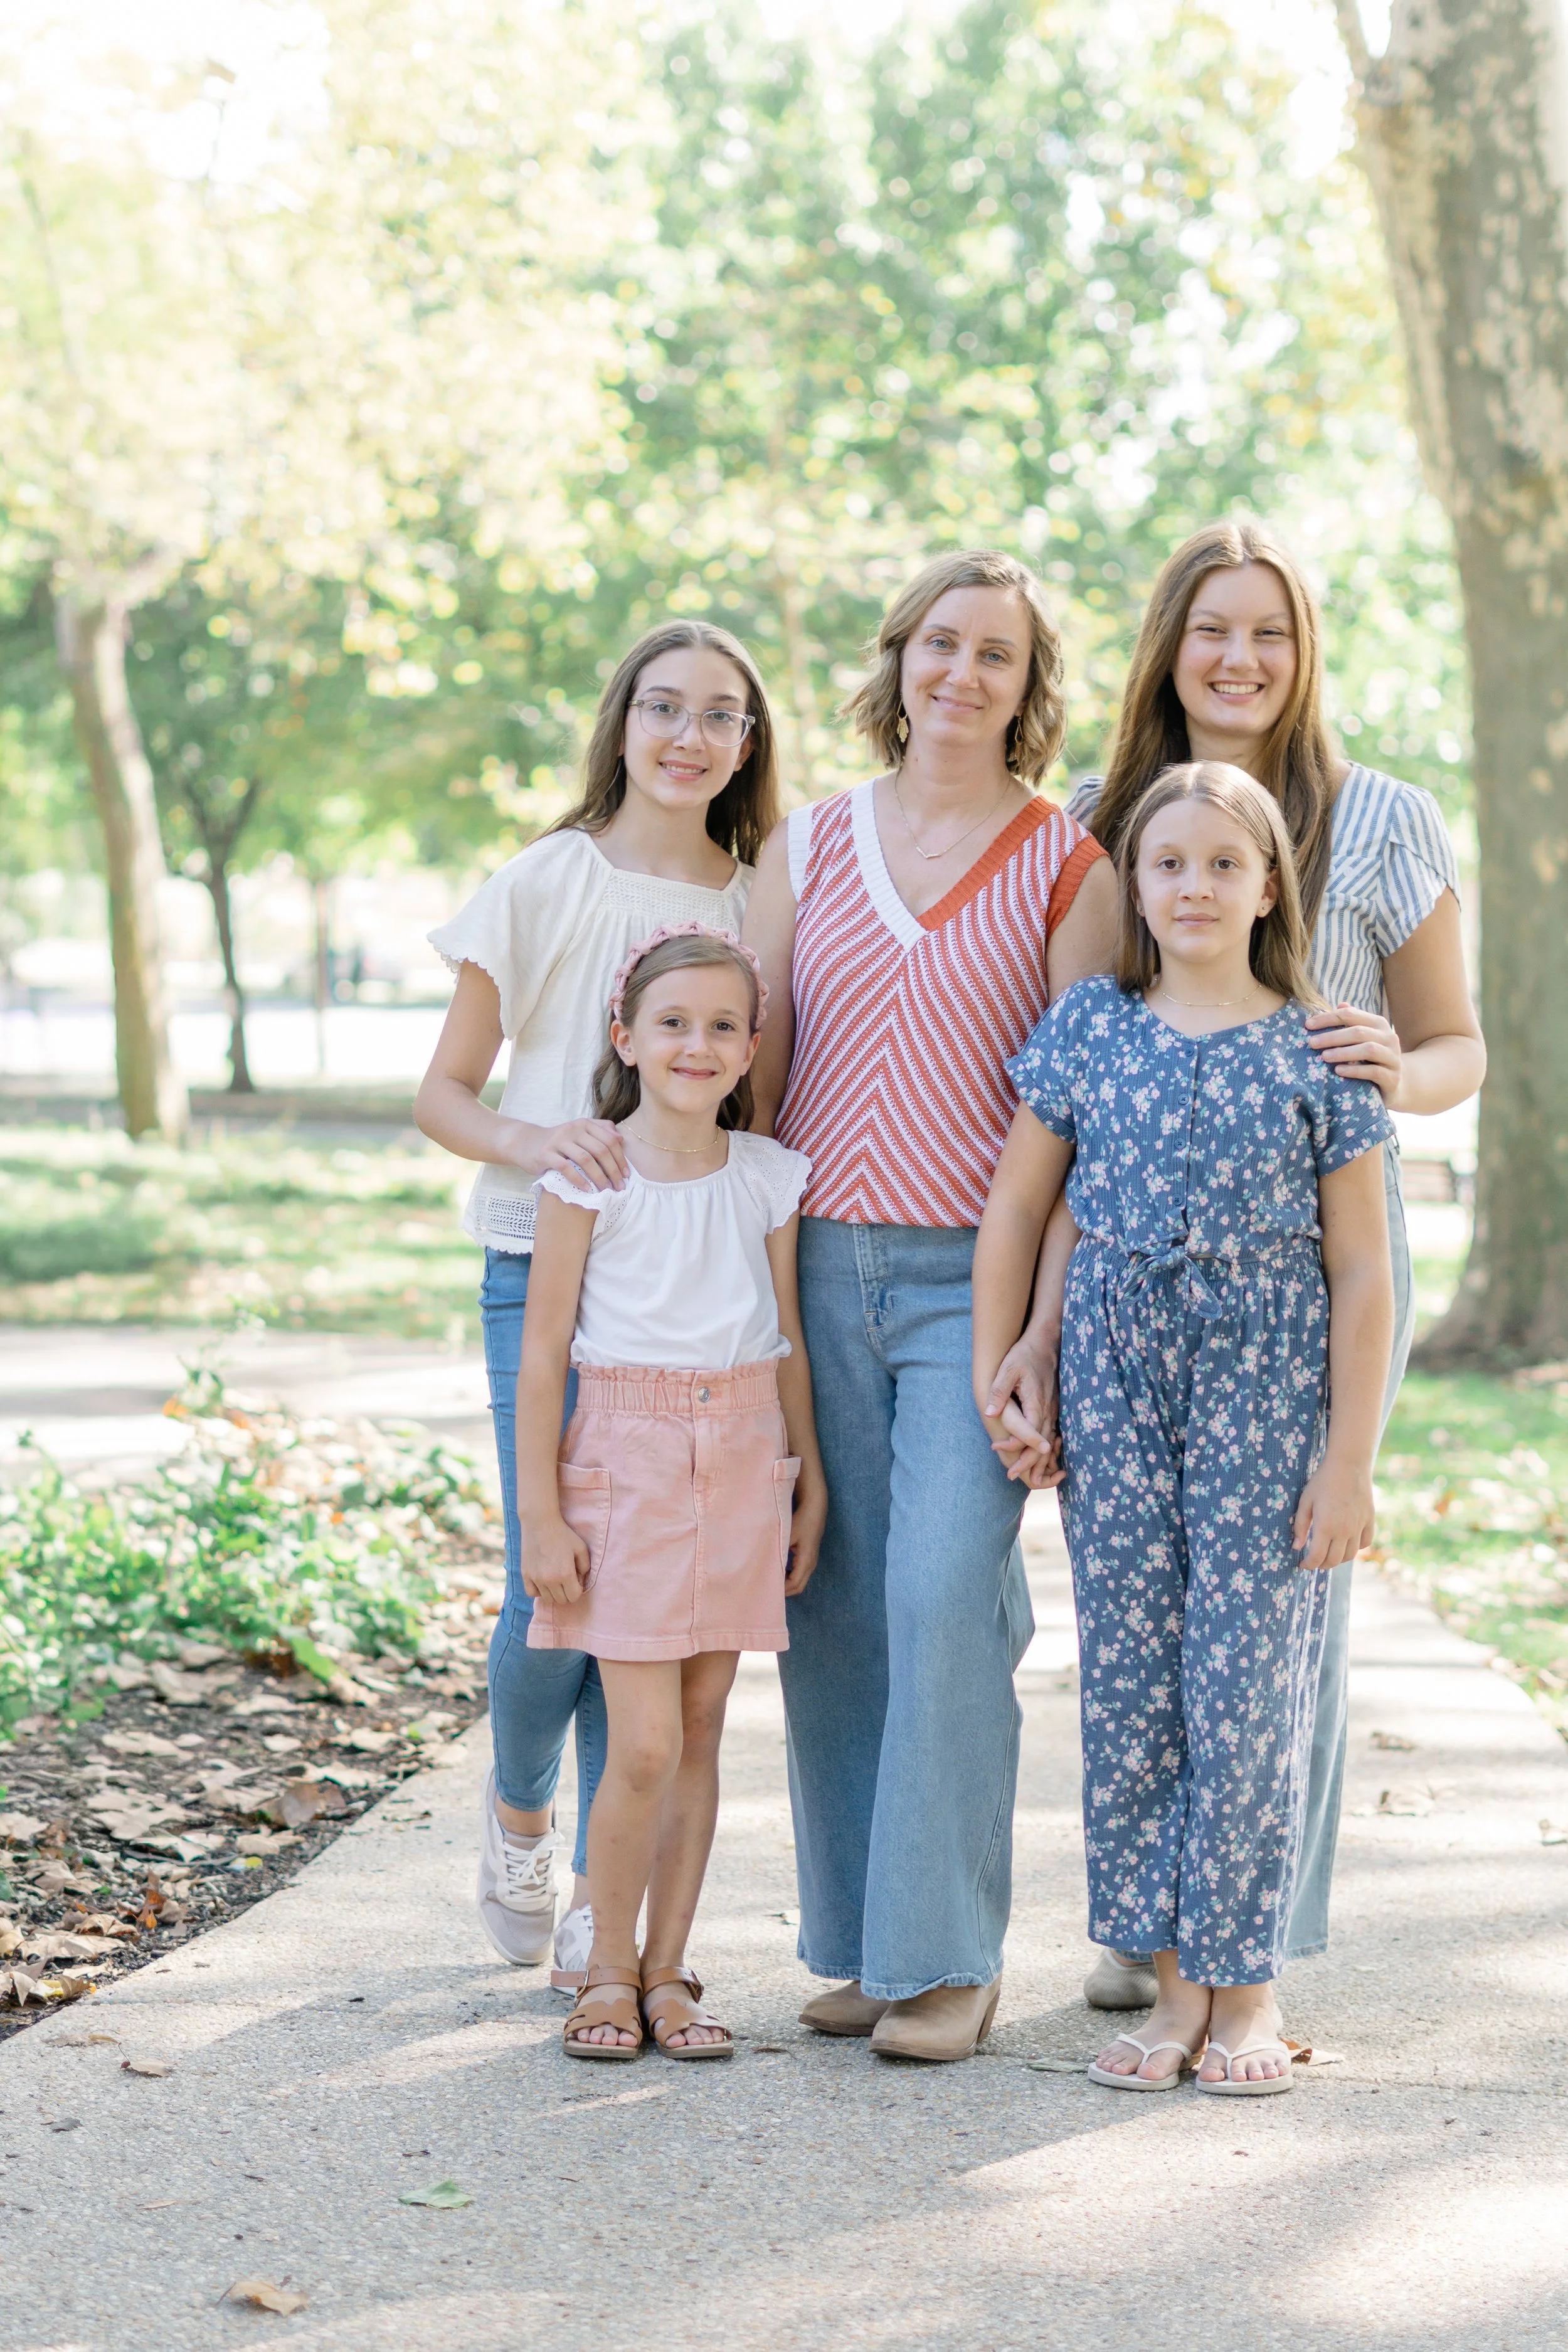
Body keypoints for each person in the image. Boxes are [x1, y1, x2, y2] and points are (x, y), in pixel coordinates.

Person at [985, 519, 1485, 2007]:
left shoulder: (1382, 820)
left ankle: (1253, 1937)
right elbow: (1081, 1110)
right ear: (1168, 645)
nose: (1237, 657)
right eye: (1210, 627)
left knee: (1278, 1616)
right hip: (1132, 1263)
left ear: (1302, 651)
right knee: (1140, 1615)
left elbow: (1458, 1044)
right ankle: (1146, 1927)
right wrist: (1041, 1319)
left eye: (1267, 630)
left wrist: (1395, 1066)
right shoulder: (1093, 815)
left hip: (1315, 1244)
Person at [743, 546, 1117, 2062]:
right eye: (940, 645)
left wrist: (1041, 1326)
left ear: (1028, 692)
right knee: (830, 1608)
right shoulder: (807, 846)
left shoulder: (1064, 865)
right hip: (818, 1260)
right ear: (897, 661)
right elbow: (758, 1079)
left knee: (944, 1600)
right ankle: (857, 1945)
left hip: (978, 1286)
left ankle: (948, 1956)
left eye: (997, 657)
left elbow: (1086, 1119)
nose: (963, 675)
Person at [975, 761, 1394, 2090]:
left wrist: (1348, 1464)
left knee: (1246, 1687)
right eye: (1168, 865)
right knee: (1135, 1685)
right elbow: (1027, 1210)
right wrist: (1015, 1357)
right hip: (1114, 1379)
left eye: (1223, 863)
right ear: (1133, 885)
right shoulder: (1093, 1029)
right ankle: (1168, 1990)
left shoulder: (1318, 1049)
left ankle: (1246, 1991)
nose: (1194, 886)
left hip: (1264, 1389)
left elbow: (1362, 1272)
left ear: (1269, 884)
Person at [415, 622, 778, 1986]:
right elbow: (445, 1091)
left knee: (645, 1609)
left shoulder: (758, 899)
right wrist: (541, 1140)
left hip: (686, 1300)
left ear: (748, 745)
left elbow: (753, 1087)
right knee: (551, 1579)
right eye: (664, 707)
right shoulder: (547, 880)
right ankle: (518, 1809)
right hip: (545, 1265)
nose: (690, 737)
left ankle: (593, 1898)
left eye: (721, 717)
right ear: (621, 721)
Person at [514, 926, 825, 2058]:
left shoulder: (770, 1177)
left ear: (751, 1050)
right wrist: (542, 1512)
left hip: (744, 1454)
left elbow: (785, 1337)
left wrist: (808, 1483)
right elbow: (543, 1353)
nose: (699, 1043)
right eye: (675, 1022)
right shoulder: (589, 1178)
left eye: (724, 1026)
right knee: (641, 1742)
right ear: (628, 1037)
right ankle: (603, 1965)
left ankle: (667, 1972)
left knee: (701, 1728)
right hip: (628, 1463)